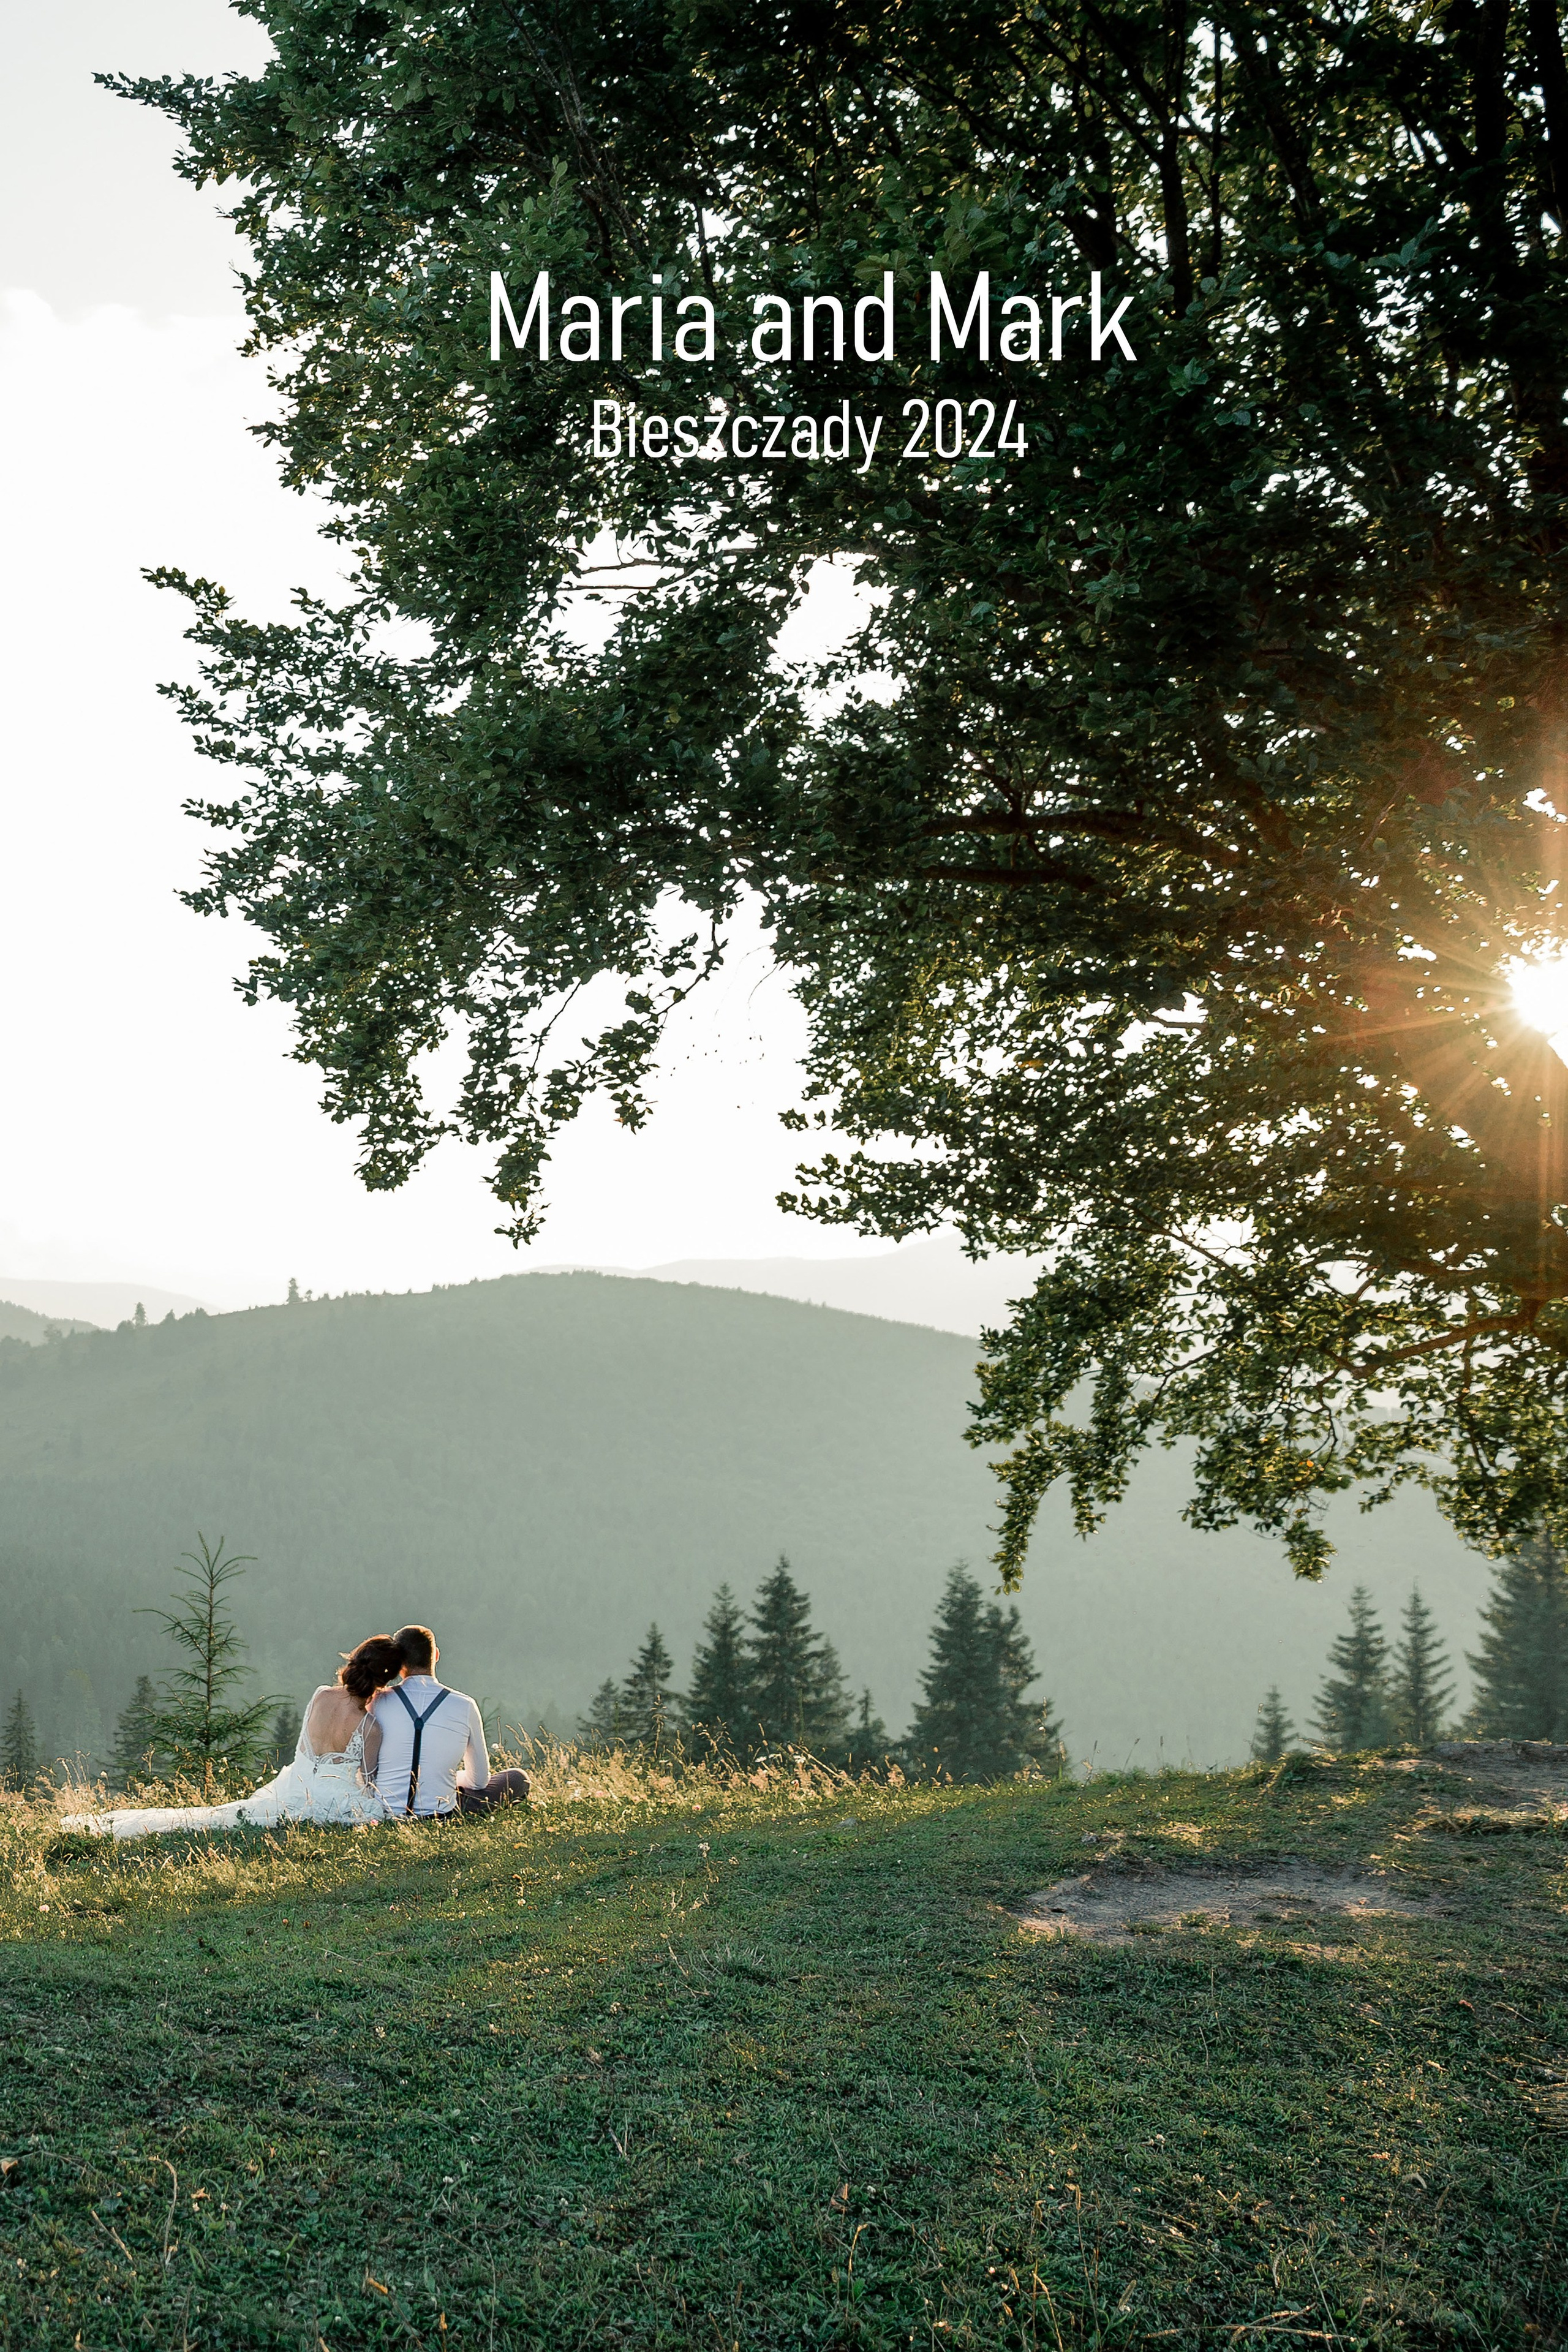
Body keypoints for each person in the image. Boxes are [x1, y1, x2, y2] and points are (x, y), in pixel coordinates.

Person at [64, 1635, 407, 1839]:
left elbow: (305, 1750)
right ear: (385, 1682)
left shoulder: (320, 1697)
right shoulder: (370, 1727)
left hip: (294, 1785)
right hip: (331, 1798)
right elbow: (368, 1782)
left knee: (223, 1815)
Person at [370, 1624, 529, 1817]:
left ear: (399, 1663)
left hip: (385, 1811)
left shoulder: (378, 1701)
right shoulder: (464, 1705)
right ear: (436, 1655)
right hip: (440, 1813)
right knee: (517, 1778)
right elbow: (479, 1782)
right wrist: (448, 1776)